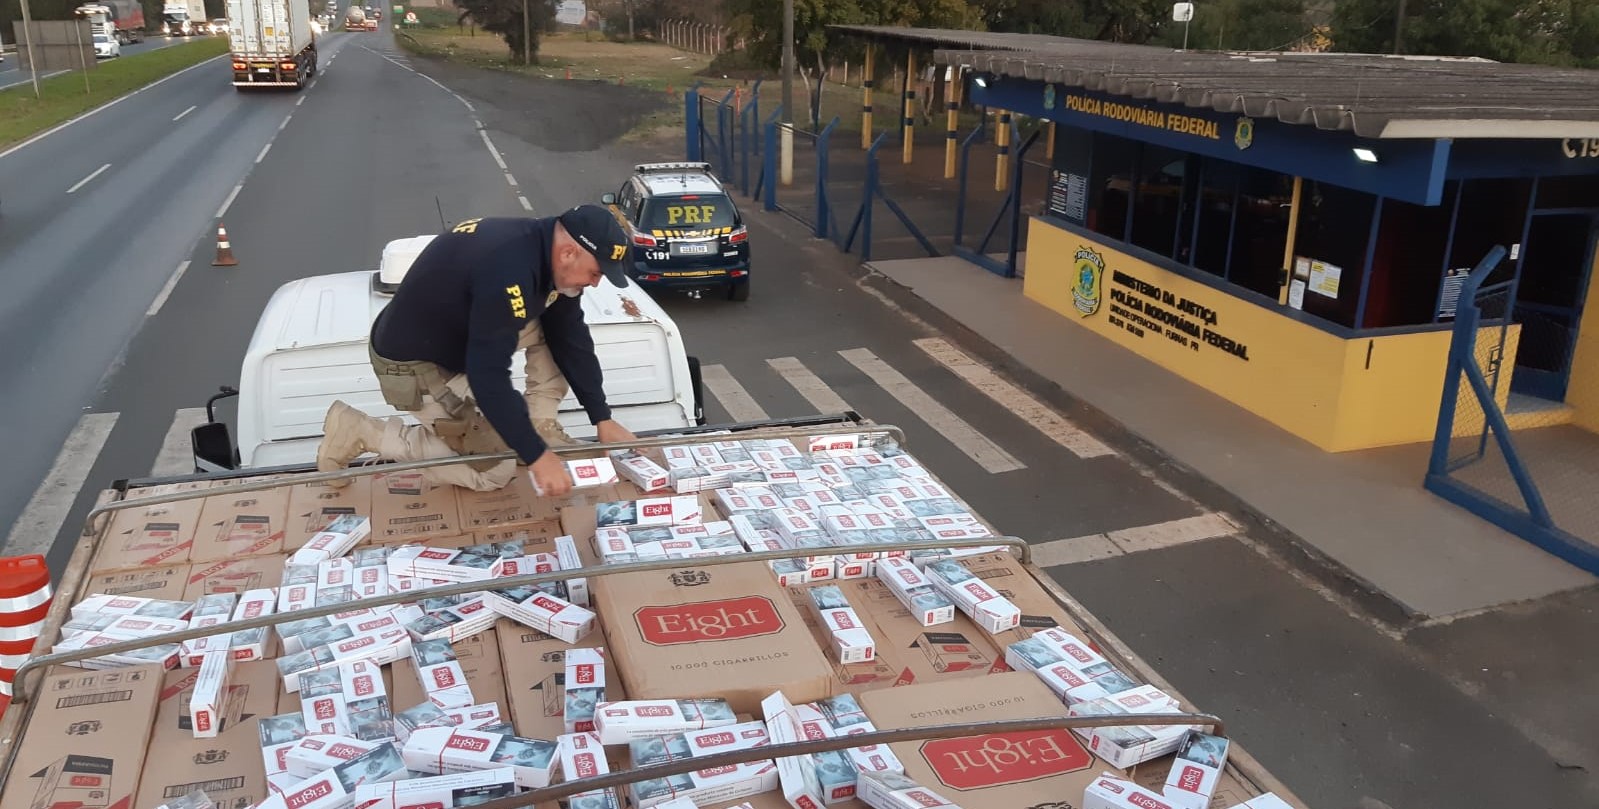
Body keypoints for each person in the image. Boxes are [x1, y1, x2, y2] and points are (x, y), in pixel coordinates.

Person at [316, 205, 638, 496]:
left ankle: (540, 425)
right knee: (495, 470)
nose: (596, 283)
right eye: (596, 273)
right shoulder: (509, 273)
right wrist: (536, 456)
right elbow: (488, 377)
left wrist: (601, 417)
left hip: (457, 336)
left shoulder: (543, 249)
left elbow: (570, 335)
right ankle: (361, 432)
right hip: (415, 364)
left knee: (553, 327)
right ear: (568, 253)